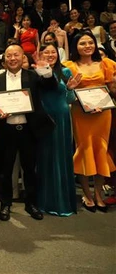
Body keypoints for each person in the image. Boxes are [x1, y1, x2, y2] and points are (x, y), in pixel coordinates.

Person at [0, 44, 57, 221]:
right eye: (9, 55)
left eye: (16, 55)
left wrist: (46, 70)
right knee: (5, 170)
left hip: (29, 130)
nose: (12, 58)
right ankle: (5, 204)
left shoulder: (33, 76)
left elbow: (50, 86)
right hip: (6, 131)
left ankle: (31, 203)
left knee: (30, 169)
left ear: (22, 57)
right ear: (4, 59)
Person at [62, 32, 116, 212]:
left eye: (90, 42)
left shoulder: (106, 64)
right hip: (81, 114)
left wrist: (104, 101)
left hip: (103, 114)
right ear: (75, 46)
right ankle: (87, 193)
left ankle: (99, 194)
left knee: (101, 150)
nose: (87, 46)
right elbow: (66, 92)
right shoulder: (69, 66)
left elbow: (111, 88)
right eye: (82, 43)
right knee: (84, 149)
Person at [37, 43, 81, 216]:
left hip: (62, 118)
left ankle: (62, 201)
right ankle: (45, 201)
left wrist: (70, 89)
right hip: (45, 118)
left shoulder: (66, 72)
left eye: (53, 52)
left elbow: (69, 99)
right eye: (46, 52)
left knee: (61, 157)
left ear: (58, 53)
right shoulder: (38, 73)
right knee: (45, 157)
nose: (50, 54)